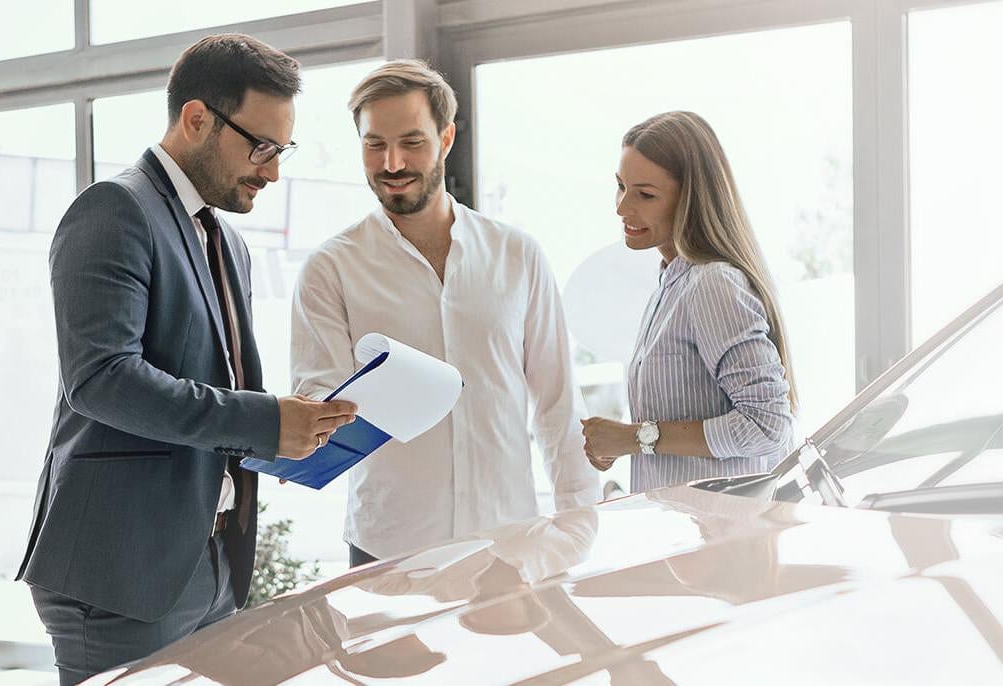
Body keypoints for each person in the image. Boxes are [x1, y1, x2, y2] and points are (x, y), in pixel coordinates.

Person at [16, 34, 357, 685]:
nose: (273, 171)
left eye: (282, 151)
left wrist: (285, 434)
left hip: (212, 561)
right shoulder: (113, 210)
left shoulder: (227, 240)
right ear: (197, 118)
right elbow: (102, 379)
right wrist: (260, 421)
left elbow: (208, 389)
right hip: (122, 571)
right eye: (261, 147)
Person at [290, 59, 600, 567]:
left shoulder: (517, 255)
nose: (391, 163)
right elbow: (317, 403)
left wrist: (575, 530)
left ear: (447, 137)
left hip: (510, 545)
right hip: (387, 551)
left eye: (412, 142)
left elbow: (558, 402)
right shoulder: (331, 268)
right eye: (374, 144)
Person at [581, 111, 796, 492]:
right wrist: (623, 442)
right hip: (683, 534)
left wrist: (636, 438)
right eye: (621, 186)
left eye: (645, 194)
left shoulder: (713, 285)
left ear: (690, 200)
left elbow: (767, 424)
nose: (622, 208)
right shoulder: (670, 284)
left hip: (719, 539)